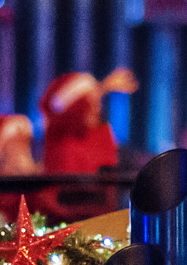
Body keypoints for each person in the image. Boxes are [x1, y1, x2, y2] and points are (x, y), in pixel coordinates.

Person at [38, 69, 137, 219]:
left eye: (97, 102)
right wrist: (103, 87)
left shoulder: (101, 134)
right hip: (63, 214)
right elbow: (56, 108)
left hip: (101, 216)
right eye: (88, 102)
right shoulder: (61, 134)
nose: (97, 108)